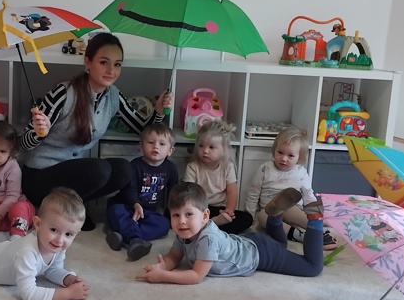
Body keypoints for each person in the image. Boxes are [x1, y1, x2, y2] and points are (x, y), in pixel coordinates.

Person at [20, 32, 173, 230]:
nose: (111, 70)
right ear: (88, 62)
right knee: (98, 169)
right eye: (104, 62)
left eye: (117, 64)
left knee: (124, 170)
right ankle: (68, 210)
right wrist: (39, 132)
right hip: (40, 177)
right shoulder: (64, 93)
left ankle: (71, 208)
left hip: (72, 177)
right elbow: (24, 143)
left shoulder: (113, 96)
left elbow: (143, 130)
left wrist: (158, 111)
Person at [136, 182, 324, 284]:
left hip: (261, 254)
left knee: (312, 268)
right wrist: (162, 267)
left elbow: (196, 276)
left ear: (205, 216)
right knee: (280, 245)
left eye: (189, 214)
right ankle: (275, 216)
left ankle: (315, 218)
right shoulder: (184, 231)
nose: (181, 221)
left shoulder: (207, 239)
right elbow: (175, 256)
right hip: (249, 242)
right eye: (176, 215)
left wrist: (164, 277)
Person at [244, 125, 337, 249]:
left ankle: (317, 230)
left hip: (292, 210)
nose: (283, 159)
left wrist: (316, 215)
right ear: (274, 150)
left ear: (299, 157)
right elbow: (253, 193)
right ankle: (300, 236)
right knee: (262, 217)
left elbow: (308, 195)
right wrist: (250, 218)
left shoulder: (300, 172)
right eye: (280, 152)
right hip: (269, 211)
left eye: (290, 156)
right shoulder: (265, 168)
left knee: (291, 209)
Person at [105, 122, 179, 261]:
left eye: (162, 144)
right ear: (141, 146)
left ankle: (123, 236)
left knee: (164, 225)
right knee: (115, 211)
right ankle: (133, 239)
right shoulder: (134, 166)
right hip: (126, 206)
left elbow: (174, 191)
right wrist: (135, 204)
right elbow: (129, 189)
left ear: (170, 150)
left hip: (147, 212)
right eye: (151, 142)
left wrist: (174, 213)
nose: (156, 146)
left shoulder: (170, 168)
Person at [183, 120, 253, 235]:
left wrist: (229, 210)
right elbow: (188, 194)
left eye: (211, 147)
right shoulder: (193, 167)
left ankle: (205, 226)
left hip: (219, 209)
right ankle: (210, 225)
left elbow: (232, 192)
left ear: (224, 150)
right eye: (201, 146)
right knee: (171, 214)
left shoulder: (228, 167)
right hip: (199, 208)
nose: (205, 151)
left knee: (247, 218)